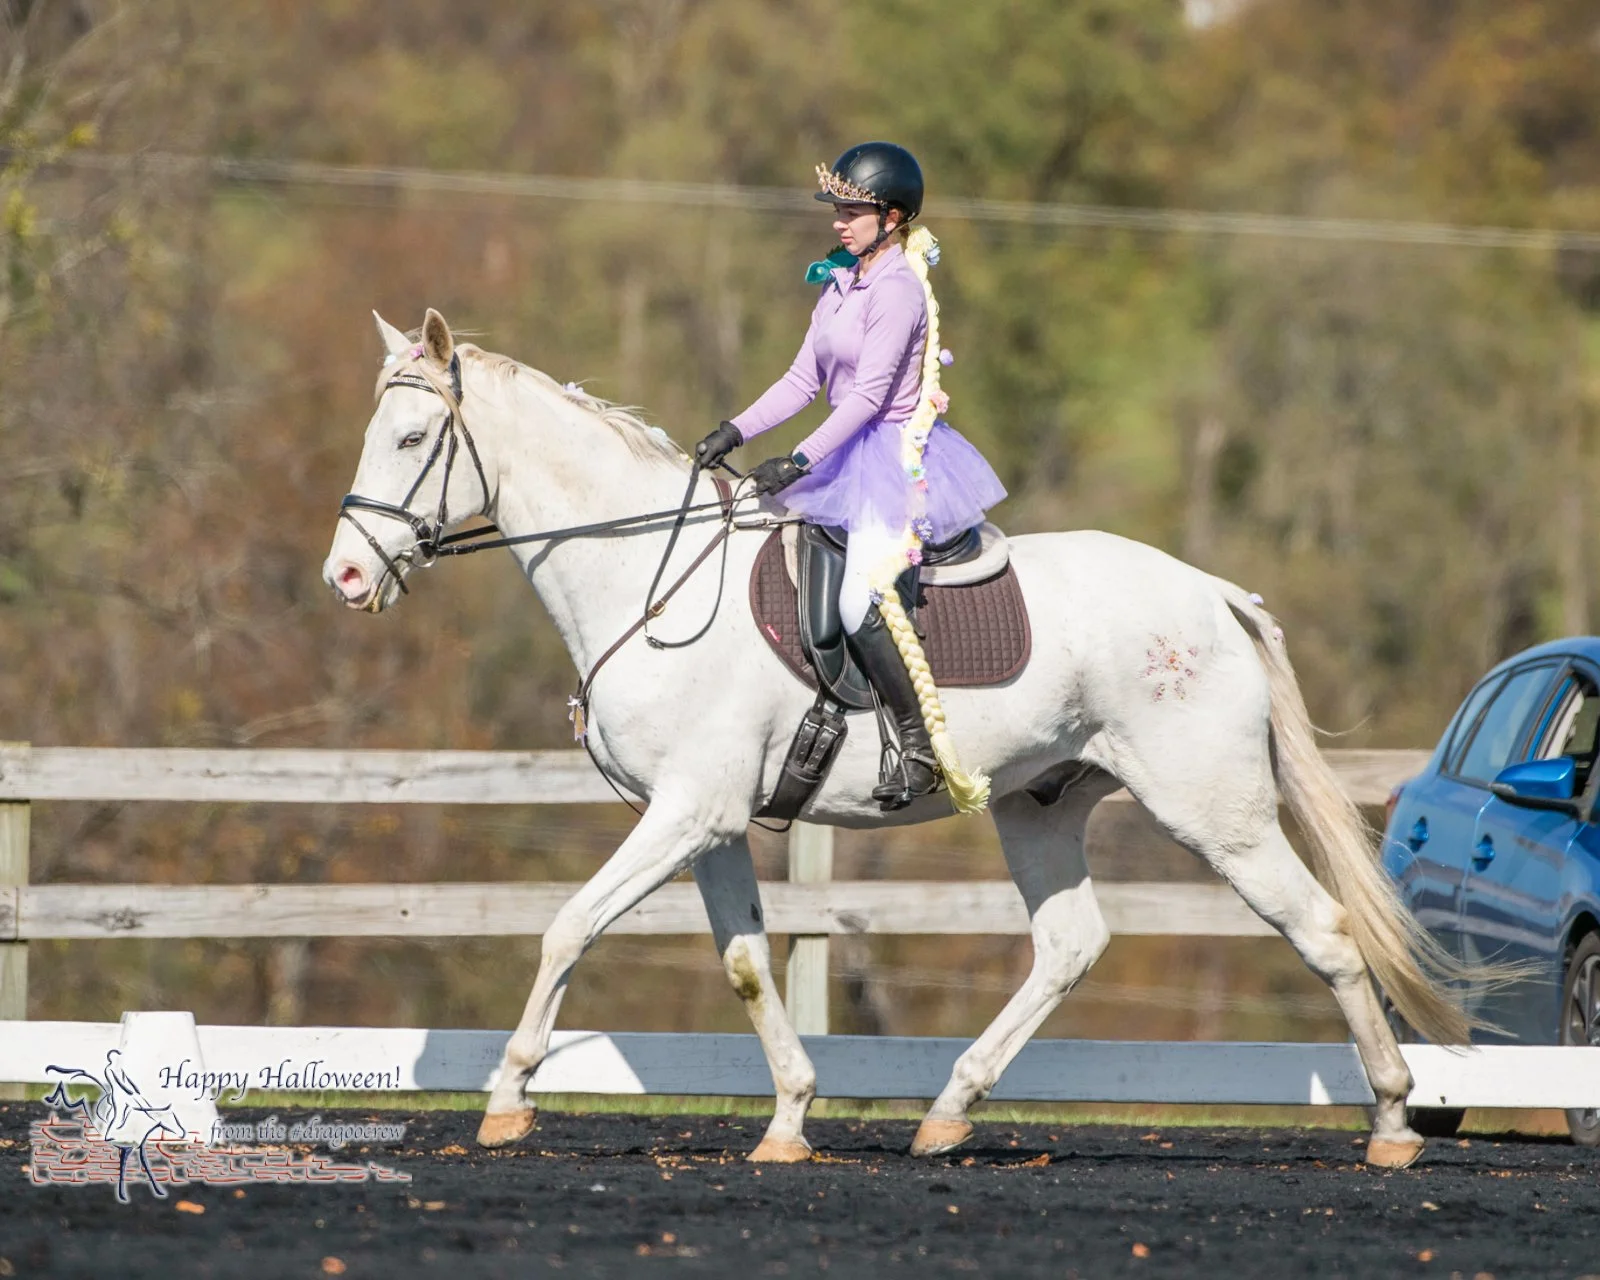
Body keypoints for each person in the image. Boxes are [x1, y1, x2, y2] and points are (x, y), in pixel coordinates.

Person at [695, 142, 1005, 812]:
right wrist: (735, 429)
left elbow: (866, 398)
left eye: (854, 210)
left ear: (892, 217)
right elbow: (802, 379)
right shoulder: (841, 283)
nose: (839, 220)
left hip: (891, 458)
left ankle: (920, 747)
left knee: (858, 605)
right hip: (844, 448)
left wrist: (800, 460)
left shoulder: (897, 291)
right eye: (838, 207)